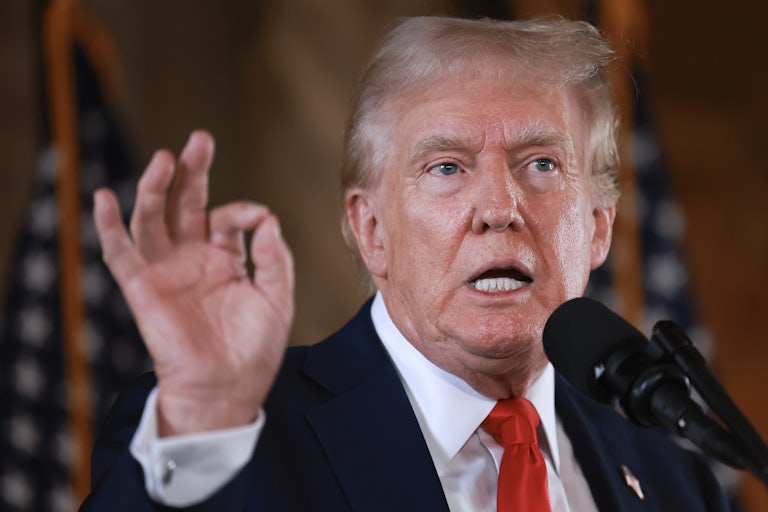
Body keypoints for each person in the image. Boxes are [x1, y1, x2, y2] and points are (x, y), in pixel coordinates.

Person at [80, 16, 729, 511]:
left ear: (596, 228)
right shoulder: (229, 436)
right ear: (370, 230)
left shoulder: (676, 481)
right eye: (447, 167)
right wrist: (198, 426)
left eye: (541, 165)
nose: (499, 207)